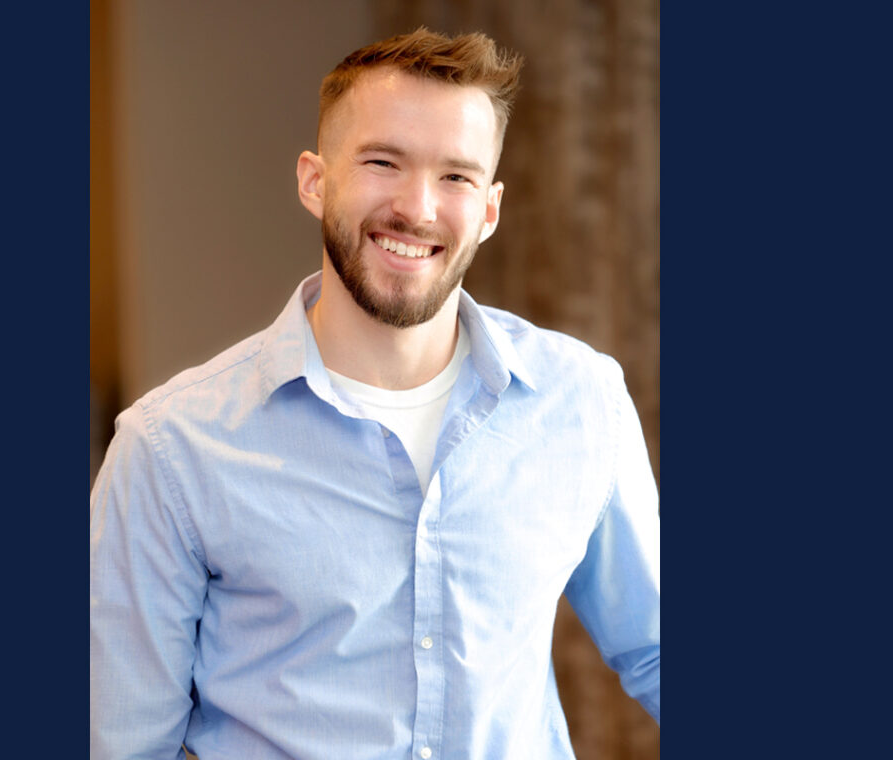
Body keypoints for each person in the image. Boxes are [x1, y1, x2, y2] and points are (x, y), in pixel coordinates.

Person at [90, 27, 659, 760]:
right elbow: (120, 741)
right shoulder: (170, 450)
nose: (417, 208)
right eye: (383, 162)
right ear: (314, 180)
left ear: (488, 210)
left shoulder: (580, 401)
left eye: (456, 176)